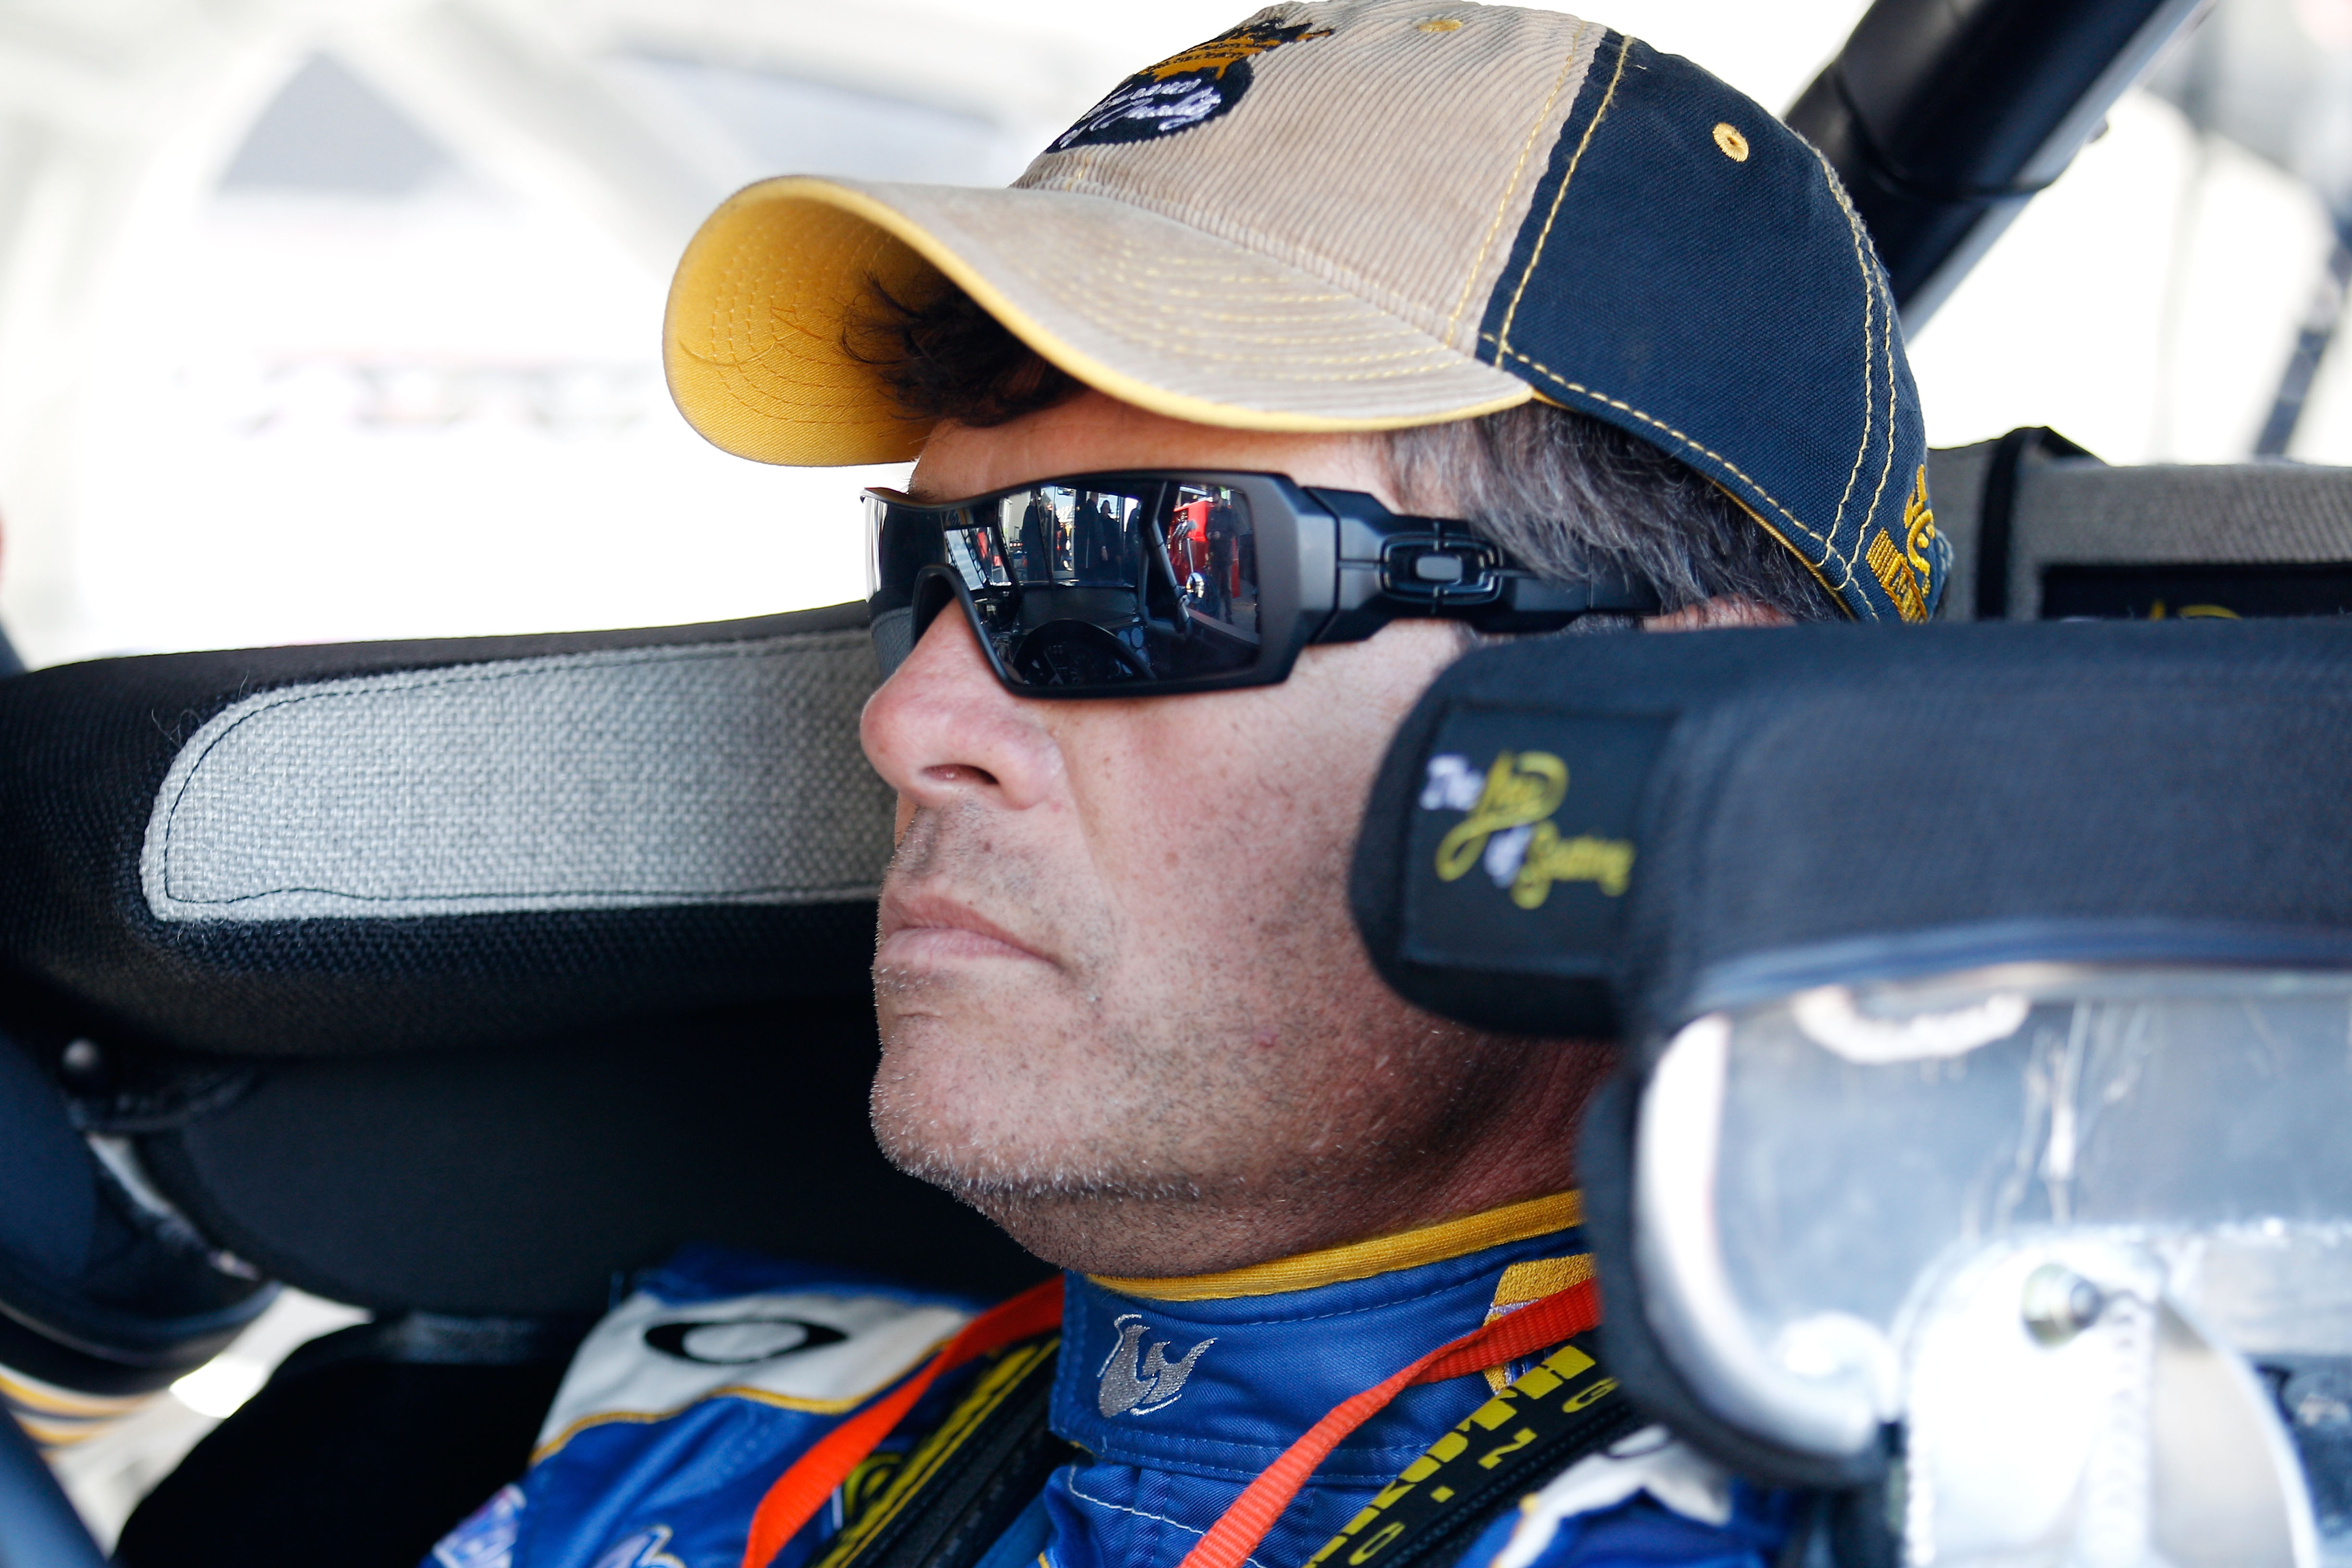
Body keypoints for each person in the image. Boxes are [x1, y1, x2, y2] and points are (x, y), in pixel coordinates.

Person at [428, 5, 1945, 1568]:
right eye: (926, 571)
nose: (906, 716)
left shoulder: (2035, 1502)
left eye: (1136, 572)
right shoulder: (683, 1457)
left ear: (1683, 733)